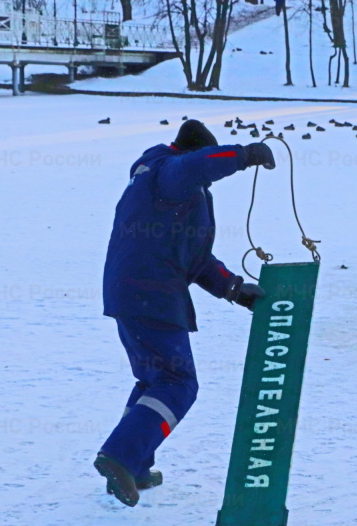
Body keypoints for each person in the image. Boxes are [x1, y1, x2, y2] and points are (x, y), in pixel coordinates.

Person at [94, 120, 276, 507]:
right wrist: (245, 155)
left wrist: (233, 289)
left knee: (153, 379)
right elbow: (194, 167)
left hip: (130, 291)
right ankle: (120, 456)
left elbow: (192, 256)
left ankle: (136, 465)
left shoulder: (155, 187)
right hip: (151, 294)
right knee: (178, 383)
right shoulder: (170, 172)